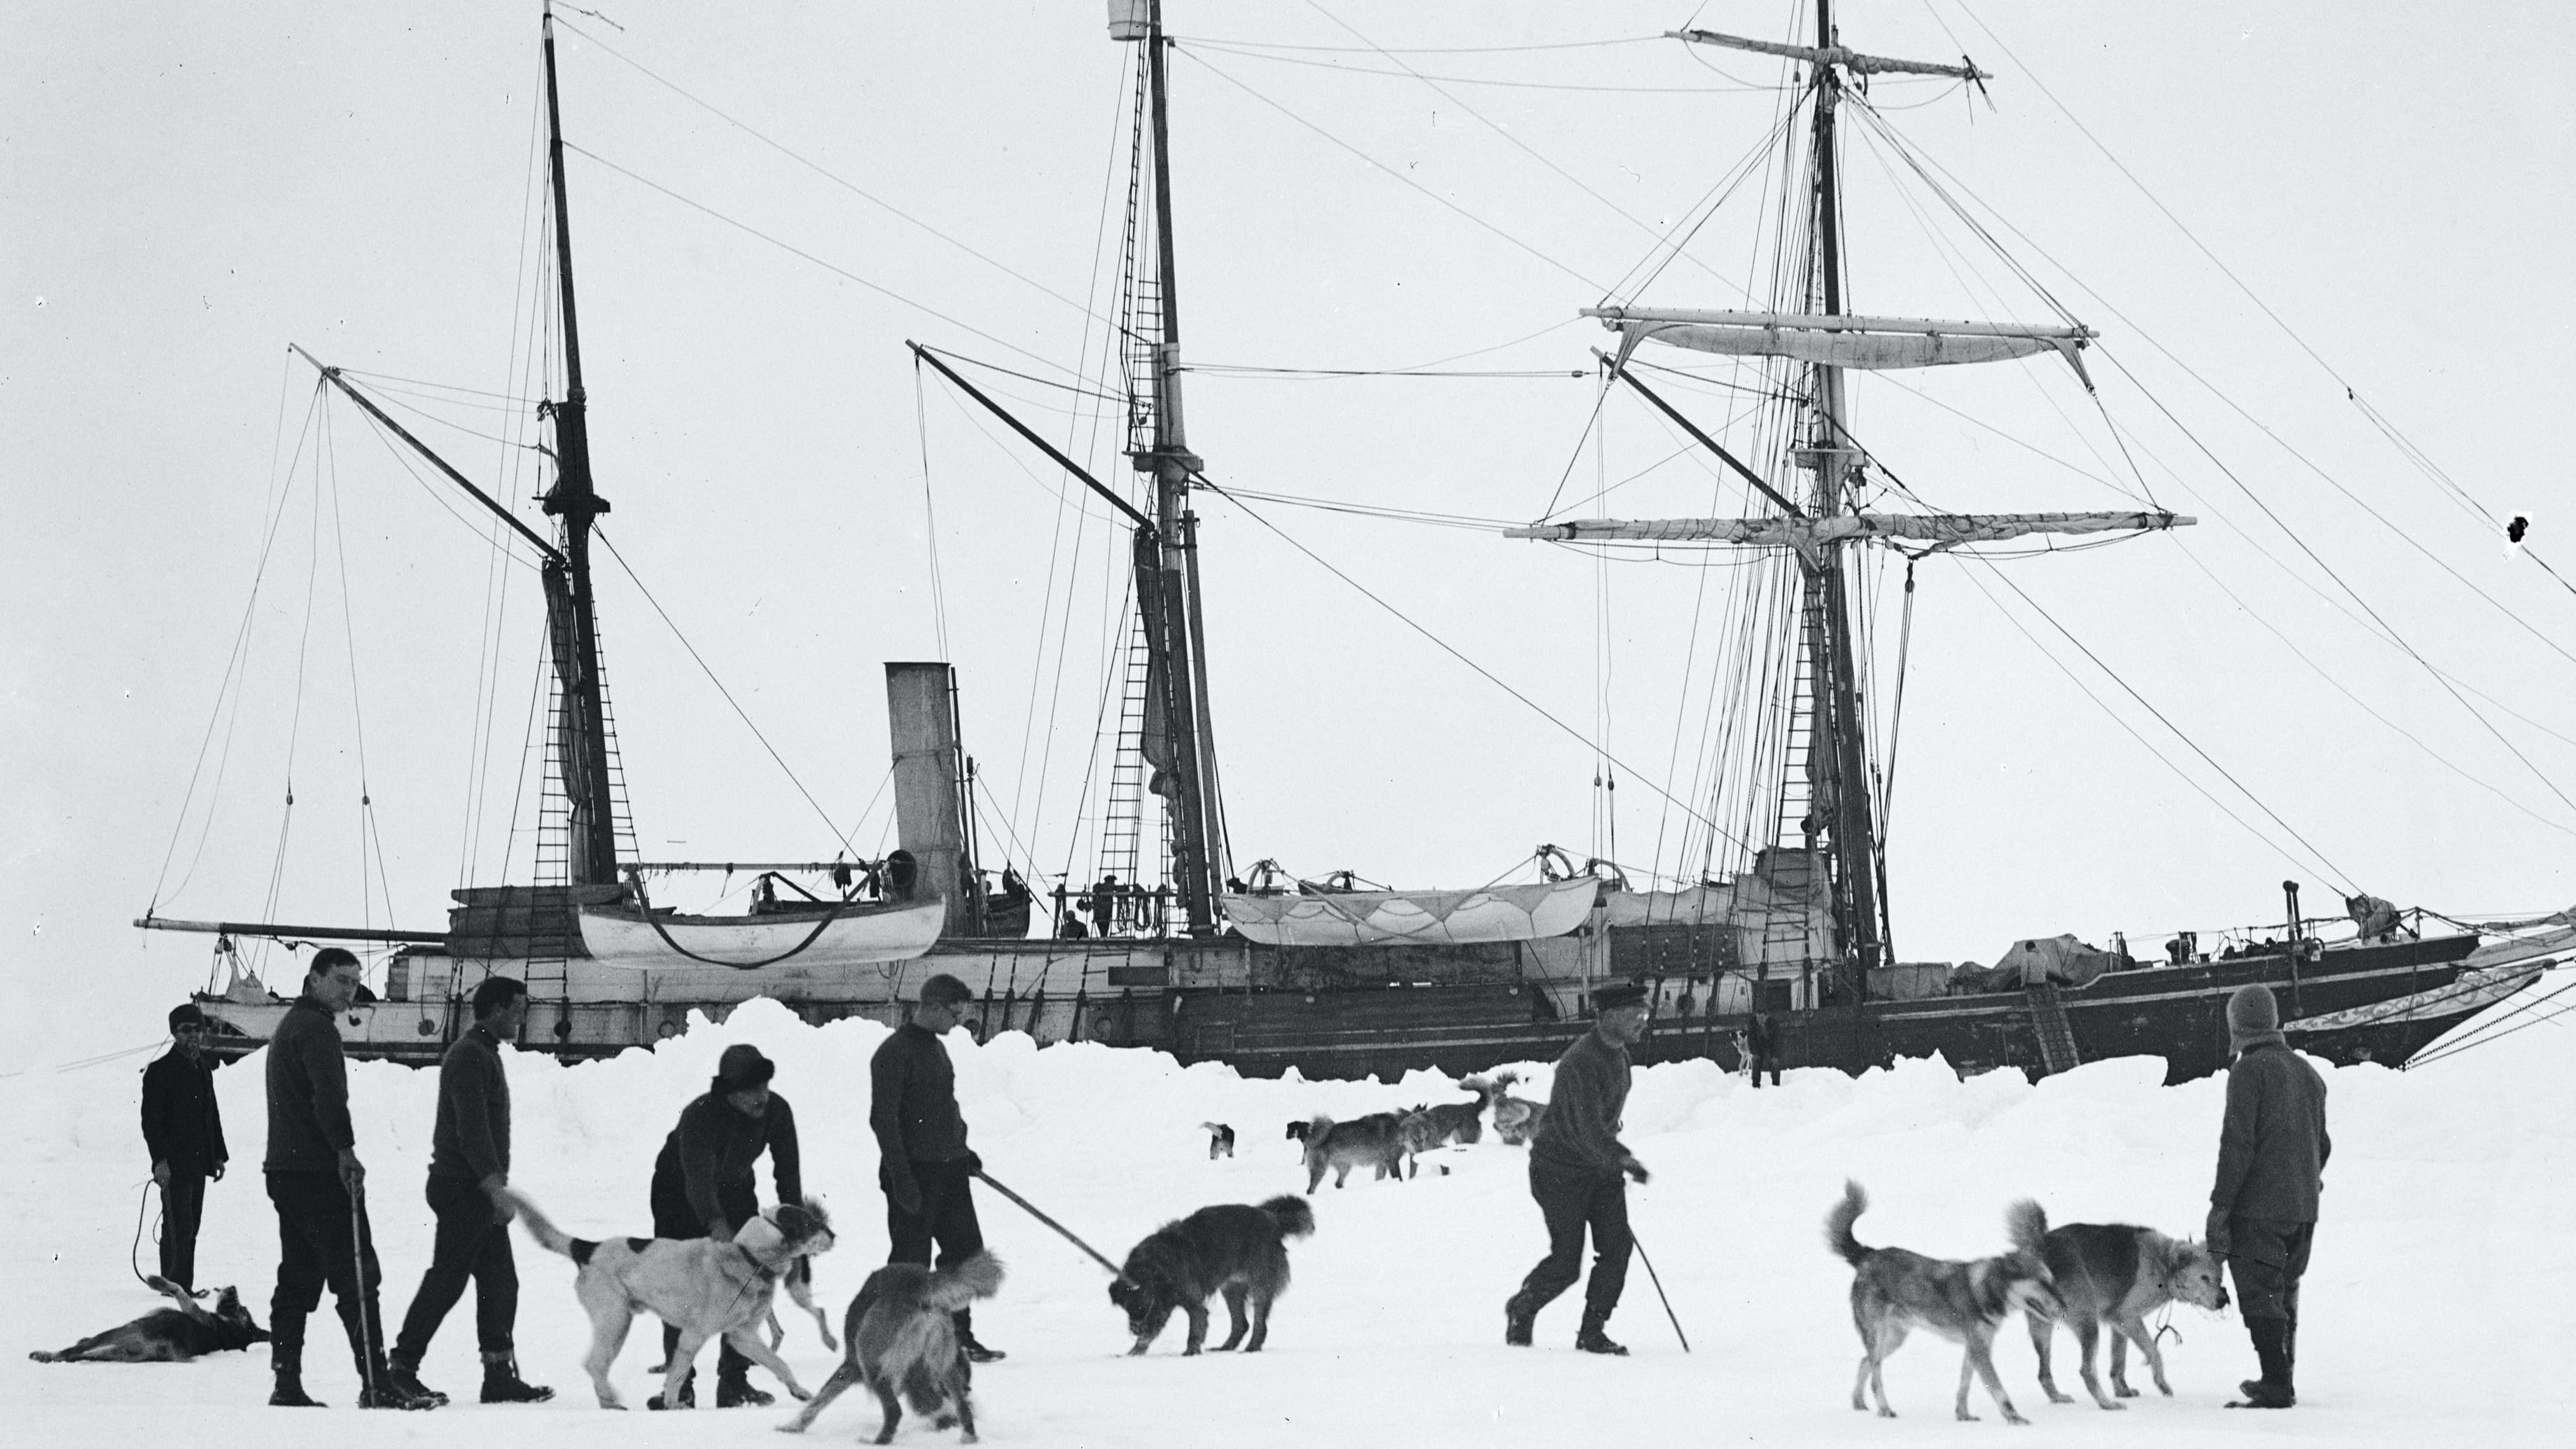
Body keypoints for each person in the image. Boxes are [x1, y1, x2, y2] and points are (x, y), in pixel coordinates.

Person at [263, 948, 439, 1410]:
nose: (350, 990)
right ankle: (376, 1383)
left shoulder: (291, 1026)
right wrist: (345, 1151)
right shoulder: (317, 1029)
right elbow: (329, 1098)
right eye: (341, 980)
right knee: (357, 1276)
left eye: (354, 980)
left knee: (298, 1276)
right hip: (318, 1173)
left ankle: (286, 1382)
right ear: (313, 980)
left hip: (286, 1170)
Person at [384, 977, 552, 1406]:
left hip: (475, 1188)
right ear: (495, 1009)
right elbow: (472, 1129)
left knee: (500, 1283)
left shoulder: (483, 1053)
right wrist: (496, 1189)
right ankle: (400, 1370)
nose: (521, 1018)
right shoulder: (469, 1056)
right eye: (517, 1010)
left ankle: (498, 1376)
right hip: (464, 1188)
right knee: (447, 1280)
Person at [646, 1042, 803, 1408]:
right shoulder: (699, 1116)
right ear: (729, 1093)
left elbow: (788, 1173)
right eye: (751, 1090)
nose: (761, 1097)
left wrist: (795, 1228)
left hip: (735, 1189)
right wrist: (717, 1226)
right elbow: (697, 1179)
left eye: (764, 1086)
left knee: (746, 1284)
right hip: (678, 1191)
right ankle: (679, 1386)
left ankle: (734, 1383)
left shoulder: (777, 1111)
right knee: (682, 1284)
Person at [1503, 980, 1652, 1355]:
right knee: (1566, 1264)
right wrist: (1621, 1158)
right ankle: (1523, 1307)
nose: (1643, 1021)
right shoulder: (1579, 1063)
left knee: (1617, 1248)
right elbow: (1583, 1130)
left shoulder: (1619, 1056)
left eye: (1644, 1013)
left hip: (1598, 1167)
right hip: (1560, 1172)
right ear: (1610, 1017)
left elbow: (1602, 1123)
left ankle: (1592, 1331)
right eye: (1637, 1014)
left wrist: (1614, 1157)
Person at [2205, 983, 2330, 1410]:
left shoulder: (2247, 1072)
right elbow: (2322, 1145)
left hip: (2258, 1210)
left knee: (2260, 1293)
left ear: (2237, 1024)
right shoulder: (2309, 1074)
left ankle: (2276, 1386)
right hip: (2303, 1209)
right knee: (2284, 1290)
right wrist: (2305, 1182)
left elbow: (2237, 1146)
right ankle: (2282, 1376)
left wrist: (2221, 1207)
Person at [870, 973, 1003, 1363]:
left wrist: (962, 1151)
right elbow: (884, 1120)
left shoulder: (937, 1049)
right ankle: (896, 1339)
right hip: (913, 1174)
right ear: (931, 1007)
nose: (959, 1022)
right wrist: (902, 1179)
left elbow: (943, 1109)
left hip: (948, 1172)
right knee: (911, 1263)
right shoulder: (894, 1052)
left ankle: (956, 1336)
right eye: (955, 1013)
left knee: (966, 1255)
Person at [142, 1003, 228, 1296]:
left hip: (199, 1162)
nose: (193, 1035)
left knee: (191, 1225)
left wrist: (217, 1155)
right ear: (175, 1034)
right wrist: (160, 1161)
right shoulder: (159, 1072)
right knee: (178, 1226)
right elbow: (151, 1123)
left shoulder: (203, 1069)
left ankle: (183, 1285)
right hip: (174, 1164)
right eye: (186, 1030)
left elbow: (211, 1115)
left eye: (198, 1029)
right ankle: (174, 1286)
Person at [1746, 1010, 1781, 1088]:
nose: (1759, 1020)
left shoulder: (1774, 1024)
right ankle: (1756, 1085)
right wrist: (1755, 1052)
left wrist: (1775, 1055)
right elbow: (1751, 1040)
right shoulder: (1752, 1023)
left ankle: (1776, 1086)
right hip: (1759, 1048)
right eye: (1758, 1018)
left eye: (1762, 1018)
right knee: (1755, 1059)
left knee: (1775, 1062)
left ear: (1767, 1017)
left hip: (1771, 1047)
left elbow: (1777, 1040)